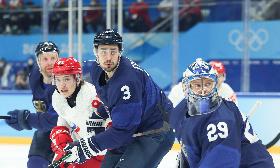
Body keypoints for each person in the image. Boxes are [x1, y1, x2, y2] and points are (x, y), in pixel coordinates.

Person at [61, 29, 175, 168]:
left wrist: (86, 147)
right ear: (95, 51)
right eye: (103, 51)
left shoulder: (127, 82)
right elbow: (112, 98)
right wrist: (99, 113)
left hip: (155, 131)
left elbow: (123, 131)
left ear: (120, 52)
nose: (108, 57)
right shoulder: (97, 70)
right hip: (133, 127)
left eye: (113, 51)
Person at [170, 58, 274, 168]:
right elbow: (189, 152)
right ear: (186, 87)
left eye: (208, 84)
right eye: (197, 85)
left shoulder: (222, 120)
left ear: (215, 85)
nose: (203, 90)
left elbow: (222, 162)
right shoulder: (182, 111)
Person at [5, 41, 60, 168]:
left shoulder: (65, 82)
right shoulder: (34, 76)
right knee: (35, 163)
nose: (50, 62)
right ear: (38, 62)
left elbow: (54, 120)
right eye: (45, 59)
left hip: (69, 134)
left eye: (53, 58)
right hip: (45, 132)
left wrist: (25, 119)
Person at [50, 57, 109, 168]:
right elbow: (64, 120)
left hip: (102, 154)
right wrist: (62, 138)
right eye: (58, 79)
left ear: (77, 78)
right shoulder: (58, 98)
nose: (62, 85)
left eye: (66, 79)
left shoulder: (93, 97)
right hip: (78, 148)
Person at [168, 60, 238, 107]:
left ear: (224, 76)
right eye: (214, 76)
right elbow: (170, 111)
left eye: (220, 76)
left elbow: (234, 110)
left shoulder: (226, 89)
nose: (217, 79)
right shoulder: (178, 89)